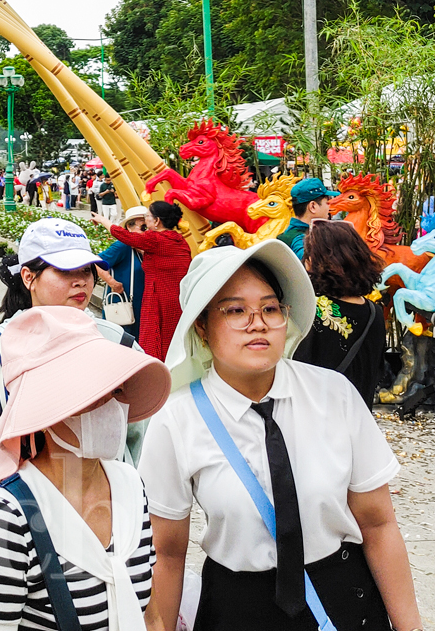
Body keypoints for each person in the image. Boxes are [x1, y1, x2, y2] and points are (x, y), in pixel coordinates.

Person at [141, 240, 422, 631]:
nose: (257, 322)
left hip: (341, 601)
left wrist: (410, 627)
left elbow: (378, 525)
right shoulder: (176, 418)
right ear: (202, 327)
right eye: (235, 310)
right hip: (237, 608)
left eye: (270, 308)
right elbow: (167, 553)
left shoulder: (334, 394)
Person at [0, 307, 171, 631]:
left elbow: (151, 616)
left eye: (114, 390)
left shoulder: (130, 486)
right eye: (91, 393)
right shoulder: (5, 522)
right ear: (45, 407)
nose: (111, 406)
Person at [0, 217, 147, 477]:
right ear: (29, 277)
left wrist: (118, 489)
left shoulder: (118, 344)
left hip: (104, 508)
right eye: (65, 270)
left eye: (87, 270)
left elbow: (139, 438)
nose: (81, 281)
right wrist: (28, 496)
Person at [293, 219, 388, 406]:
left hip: (317, 421)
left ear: (313, 263)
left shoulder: (311, 309)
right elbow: (377, 371)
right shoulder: (375, 313)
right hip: (359, 421)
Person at [92, 200, 191, 362]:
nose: (145, 223)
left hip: (157, 299)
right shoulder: (179, 241)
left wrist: (102, 219)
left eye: (147, 218)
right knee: (171, 339)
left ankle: (155, 370)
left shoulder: (154, 240)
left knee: (153, 339)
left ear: (157, 221)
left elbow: (122, 235)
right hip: (176, 299)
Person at [96, 205, 149, 343]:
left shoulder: (146, 248)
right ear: (129, 228)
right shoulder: (123, 246)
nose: (147, 231)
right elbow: (96, 263)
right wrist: (112, 283)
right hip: (123, 306)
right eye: (143, 227)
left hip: (139, 306)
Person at [278, 177, 340, 259]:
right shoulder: (302, 240)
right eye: (327, 203)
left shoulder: (289, 233)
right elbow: (309, 266)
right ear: (313, 206)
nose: (329, 207)